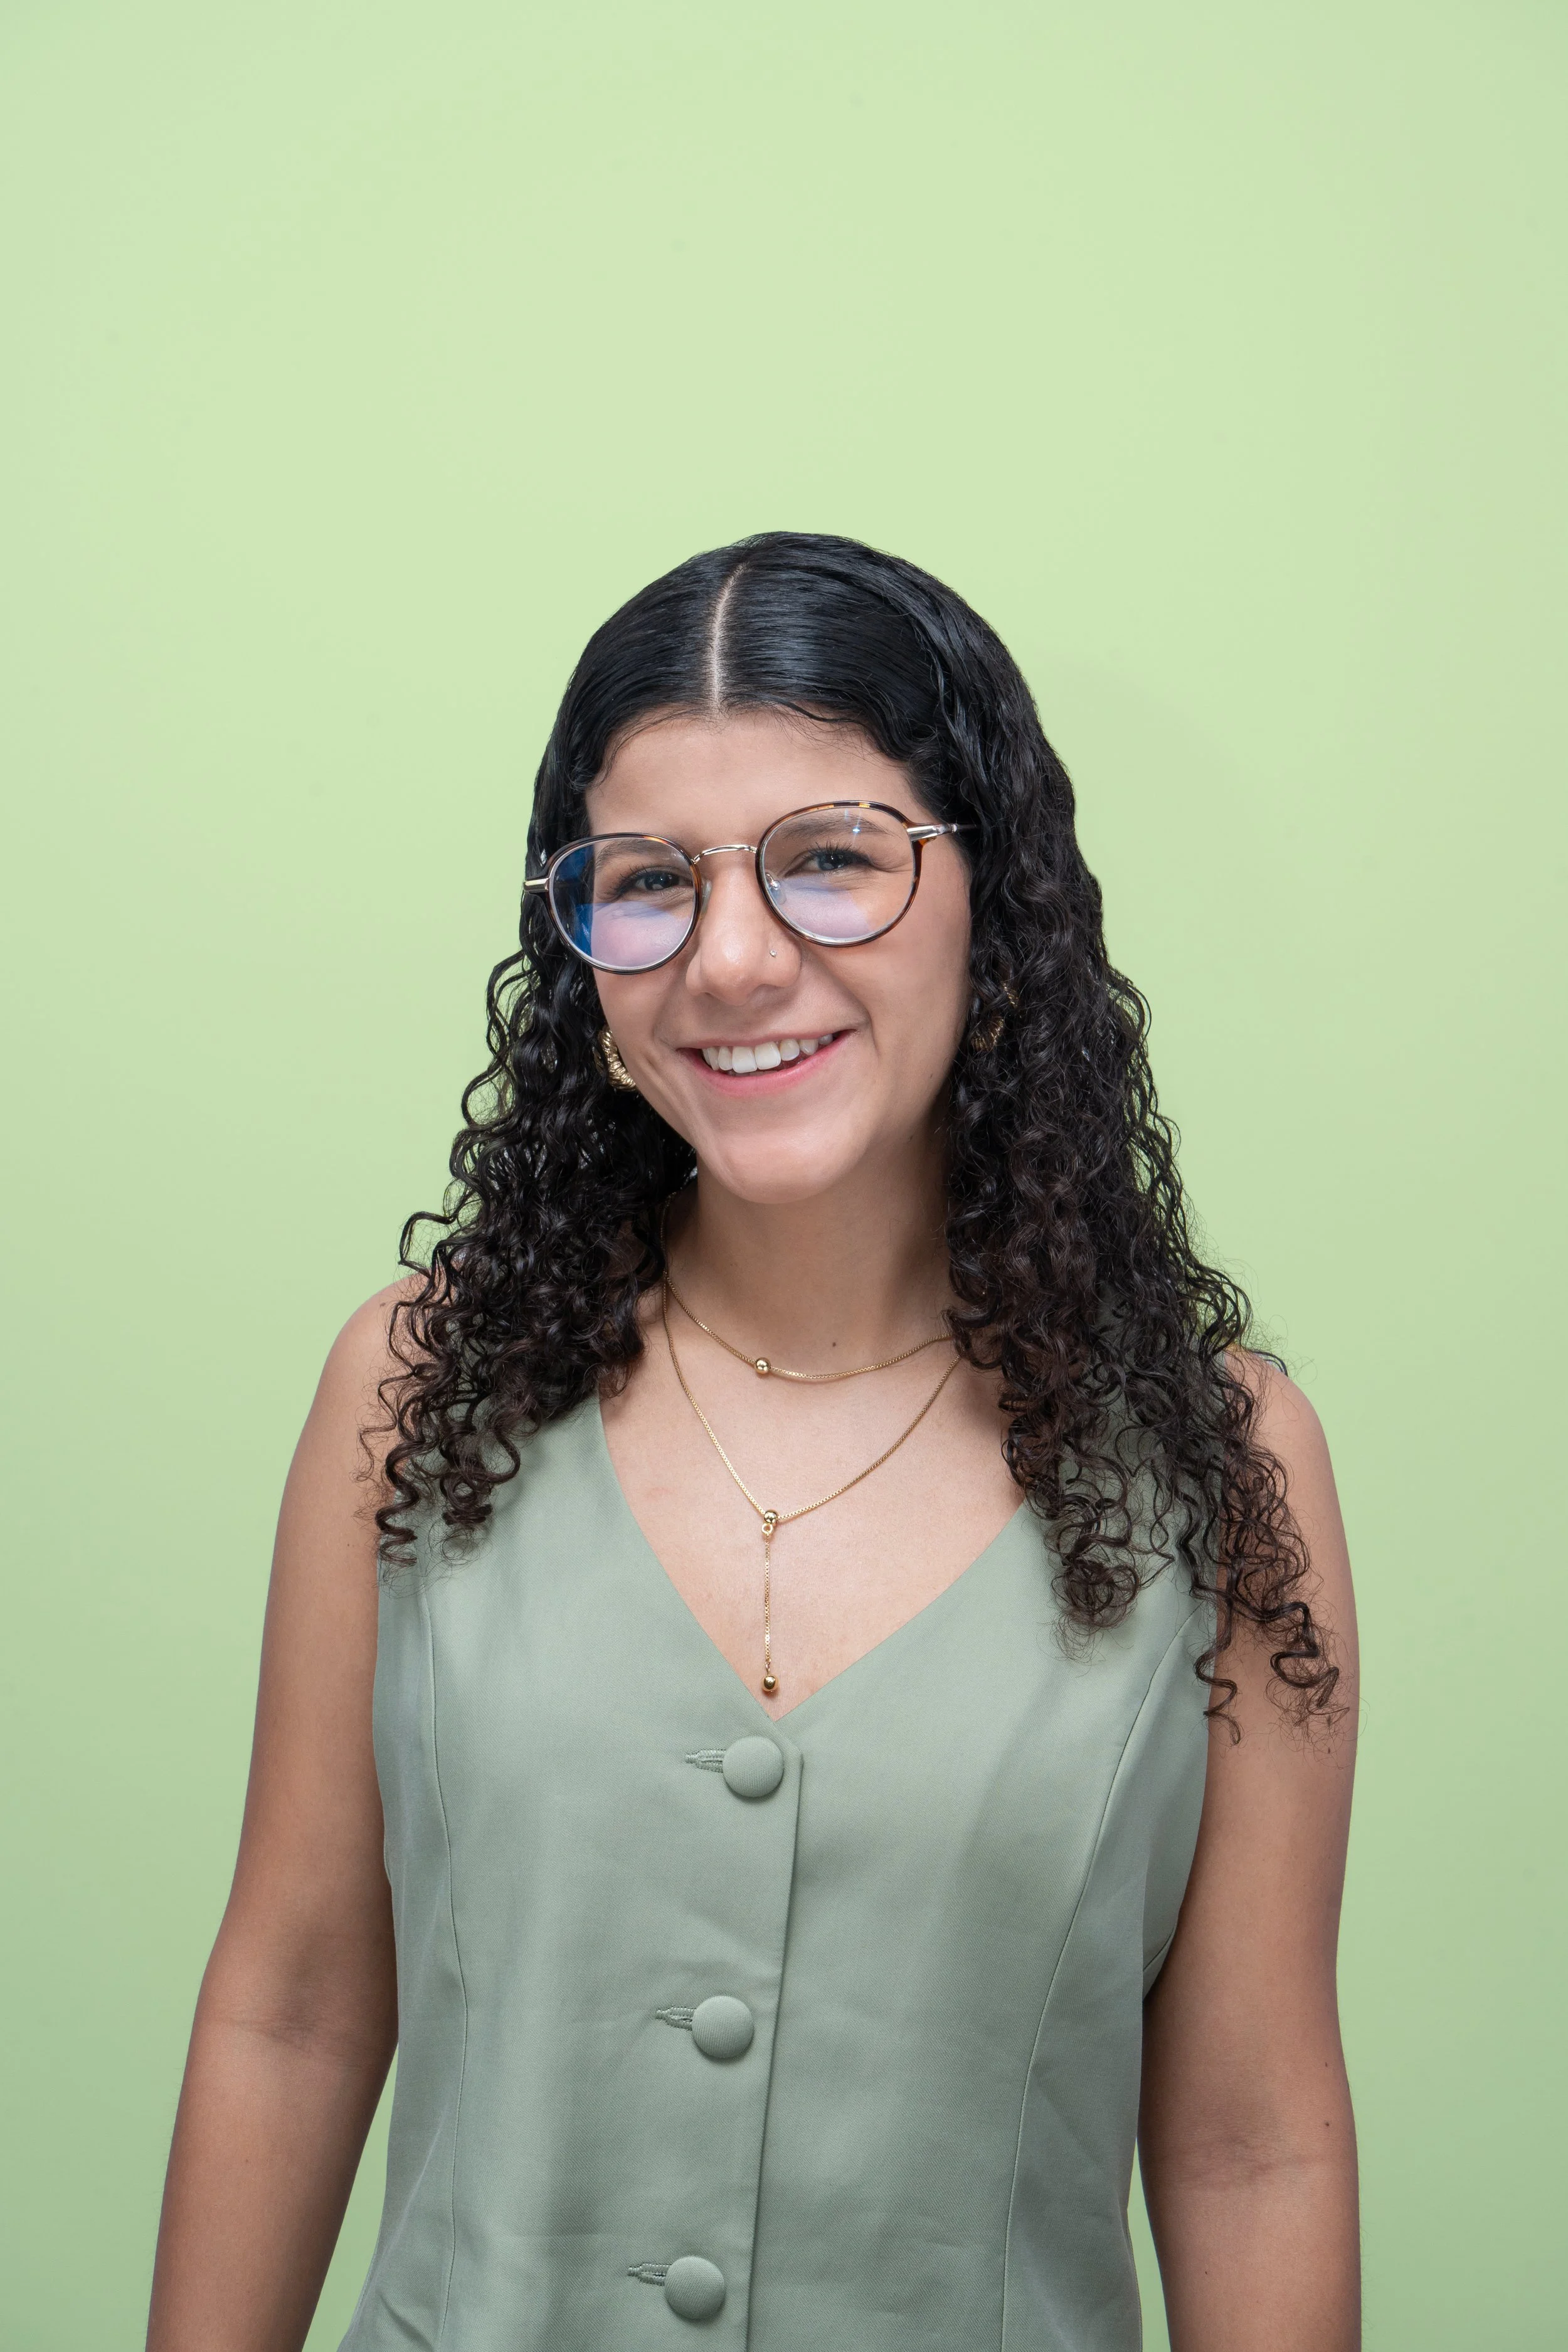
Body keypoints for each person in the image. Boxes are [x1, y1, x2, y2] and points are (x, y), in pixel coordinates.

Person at [147, 532, 1359, 2352]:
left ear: (993, 896)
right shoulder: (414, 1385)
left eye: (830, 862)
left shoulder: (1217, 1455)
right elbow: (299, 2000)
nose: (728, 959)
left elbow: (1252, 2134)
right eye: (643, 884)